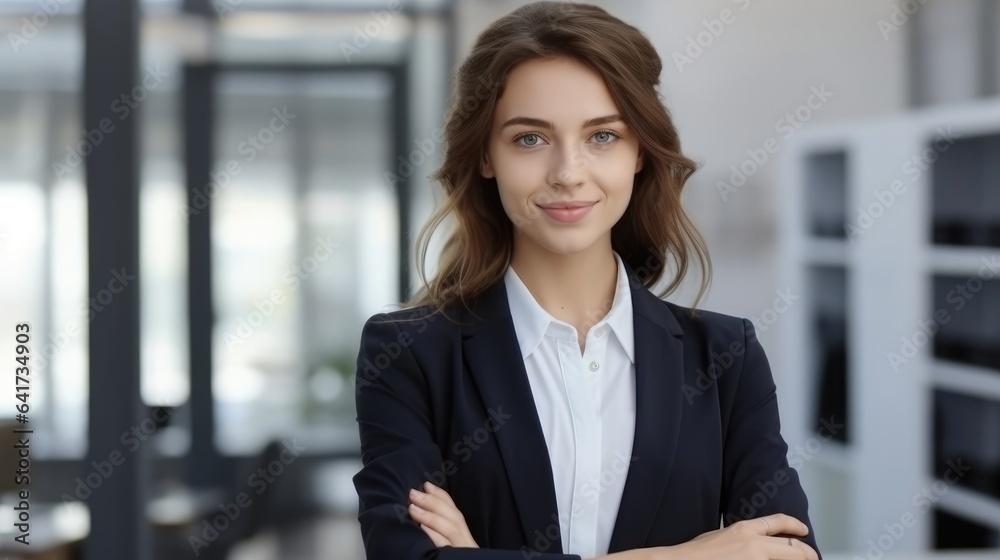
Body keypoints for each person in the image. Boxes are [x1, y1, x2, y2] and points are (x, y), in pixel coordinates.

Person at [352, 2, 821, 559]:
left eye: (603, 136)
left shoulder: (725, 358)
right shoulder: (409, 354)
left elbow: (788, 553)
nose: (568, 173)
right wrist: (691, 554)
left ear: (640, 152)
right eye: (530, 138)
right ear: (485, 155)